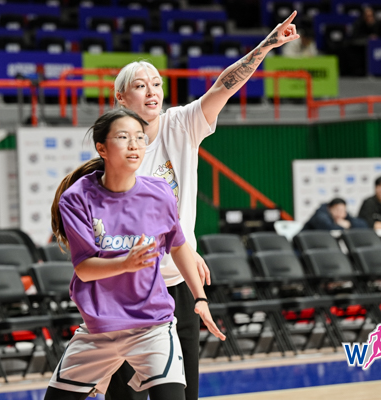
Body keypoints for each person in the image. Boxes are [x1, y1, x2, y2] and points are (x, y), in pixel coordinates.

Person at [106, 11, 300, 400]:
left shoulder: (182, 123)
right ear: (121, 98)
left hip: (179, 284)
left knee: (183, 392)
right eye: (140, 86)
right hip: (129, 292)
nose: (152, 91)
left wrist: (266, 46)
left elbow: (223, 86)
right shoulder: (113, 148)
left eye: (157, 84)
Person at [44, 109, 225, 400]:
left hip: (152, 326)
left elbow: (178, 245)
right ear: (102, 148)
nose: (134, 145)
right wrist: (126, 263)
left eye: (140, 138)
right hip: (100, 327)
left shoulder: (160, 192)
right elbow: (84, 269)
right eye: (123, 137)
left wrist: (200, 298)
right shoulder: (77, 198)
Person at [302, 198, 368, 231]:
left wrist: (349, 224)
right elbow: (329, 229)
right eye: (337, 210)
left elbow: (363, 225)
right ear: (329, 208)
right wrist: (343, 226)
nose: (340, 213)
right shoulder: (320, 216)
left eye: (343, 211)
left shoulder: (343, 215)